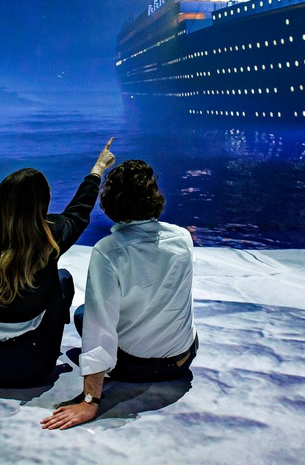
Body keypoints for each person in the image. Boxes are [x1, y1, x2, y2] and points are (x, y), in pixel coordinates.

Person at [41, 159, 197, 430]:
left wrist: (90, 401)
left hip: (137, 370)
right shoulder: (182, 237)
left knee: (83, 315)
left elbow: (99, 329)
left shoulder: (108, 251)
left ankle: (108, 373)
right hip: (182, 360)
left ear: (111, 203)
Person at [0, 139, 115, 388]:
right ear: (41, 203)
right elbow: (78, 211)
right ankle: (42, 344)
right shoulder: (50, 237)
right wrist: (98, 169)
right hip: (32, 369)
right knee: (63, 279)